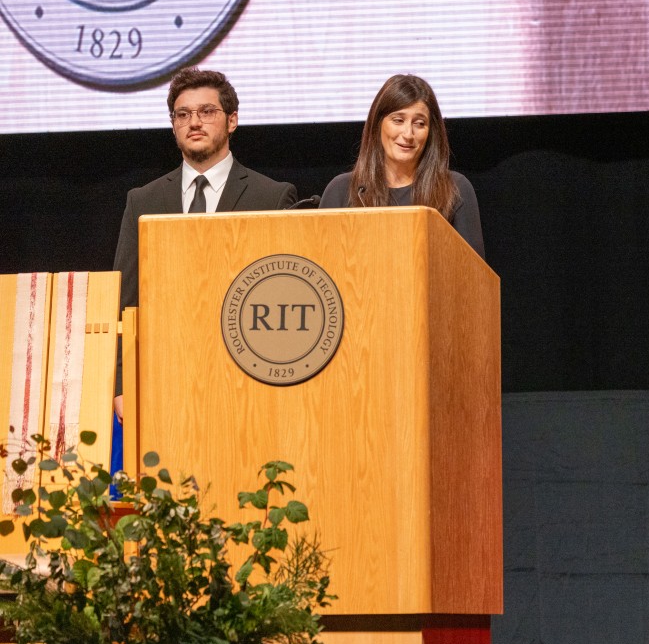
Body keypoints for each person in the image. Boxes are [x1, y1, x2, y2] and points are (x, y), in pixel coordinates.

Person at [112, 68, 297, 421]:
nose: (194, 122)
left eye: (207, 112)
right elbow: (125, 301)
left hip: (250, 383)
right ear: (174, 125)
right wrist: (121, 385)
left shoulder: (271, 196)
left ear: (232, 121)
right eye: (183, 115)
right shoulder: (143, 200)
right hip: (163, 381)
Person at [319, 74, 484, 259]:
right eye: (398, 120)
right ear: (378, 124)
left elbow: (474, 279)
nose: (408, 134)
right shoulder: (342, 191)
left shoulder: (454, 189)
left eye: (419, 123)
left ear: (431, 132)